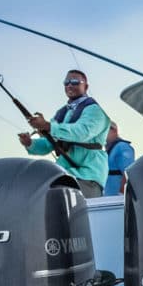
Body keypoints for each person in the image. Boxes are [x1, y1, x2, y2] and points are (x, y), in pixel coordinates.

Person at [19, 69, 110, 198]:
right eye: (66, 82)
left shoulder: (95, 111)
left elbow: (81, 133)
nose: (70, 85)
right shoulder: (62, 113)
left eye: (75, 82)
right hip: (63, 174)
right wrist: (30, 143)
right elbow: (49, 143)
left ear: (86, 86)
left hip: (88, 176)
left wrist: (47, 125)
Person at [104, 121, 135, 196]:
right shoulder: (110, 150)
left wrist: (121, 195)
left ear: (114, 130)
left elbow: (129, 173)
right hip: (108, 200)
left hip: (117, 201)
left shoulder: (122, 147)